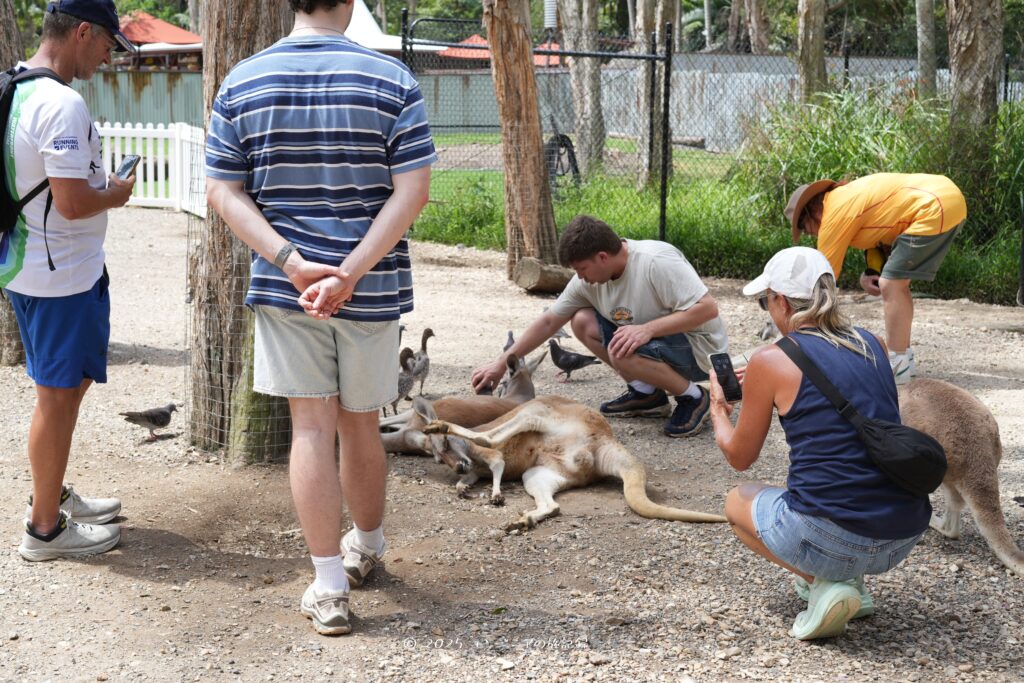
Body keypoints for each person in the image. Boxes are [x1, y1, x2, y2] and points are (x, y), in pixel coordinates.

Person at [205, 0, 434, 636]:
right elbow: (411, 190)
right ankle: (370, 546)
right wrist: (350, 272)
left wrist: (293, 261)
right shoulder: (392, 79)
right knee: (360, 424)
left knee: (310, 428)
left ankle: (329, 586)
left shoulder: (243, 80)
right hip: (372, 288)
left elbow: (223, 190)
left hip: (287, 290)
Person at [708, 246, 930, 640]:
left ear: (780, 301)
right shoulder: (872, 344)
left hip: (834, 537)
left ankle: (827, 585)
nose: (768, 310)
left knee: (735, 501)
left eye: (765, 301)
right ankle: (850, 582)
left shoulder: (771, 359)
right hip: (902, 533)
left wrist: (718, 411)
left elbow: (740, 456)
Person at [2, 0, 137, 561]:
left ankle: (50, 494)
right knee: (57, 401)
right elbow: (74, 201)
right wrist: (118, 193)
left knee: (59, 394)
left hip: (32, 266)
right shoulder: (61, 103)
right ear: (82, 32)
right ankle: (44, 531)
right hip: (58, 276)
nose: (108, 56)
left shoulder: (16, 86)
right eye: (108, 42)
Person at [472, 215, 729, 438]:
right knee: (582, 321)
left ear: (602, 257)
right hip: (656, 345)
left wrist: (647, 329)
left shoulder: (655, 261)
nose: (580, 276)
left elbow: (707, 308)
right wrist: (499, 365)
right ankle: (646, 394)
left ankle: (695, 397)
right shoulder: (587, 281)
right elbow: (549, 321)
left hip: (700, 352)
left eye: (582, 268)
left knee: (621, 348)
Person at [786, 173, 966, 383]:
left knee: (891, 284)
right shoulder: (845, 198)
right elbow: (878, 240)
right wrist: (870, 274)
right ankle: (904, 359)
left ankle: (896, 364)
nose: (813, 236)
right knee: (896, 284)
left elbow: (822, 278)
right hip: (946, 198)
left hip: (933, 206)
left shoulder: (834, 212)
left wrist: (794, 313)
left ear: (813, 211)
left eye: (807, 229)